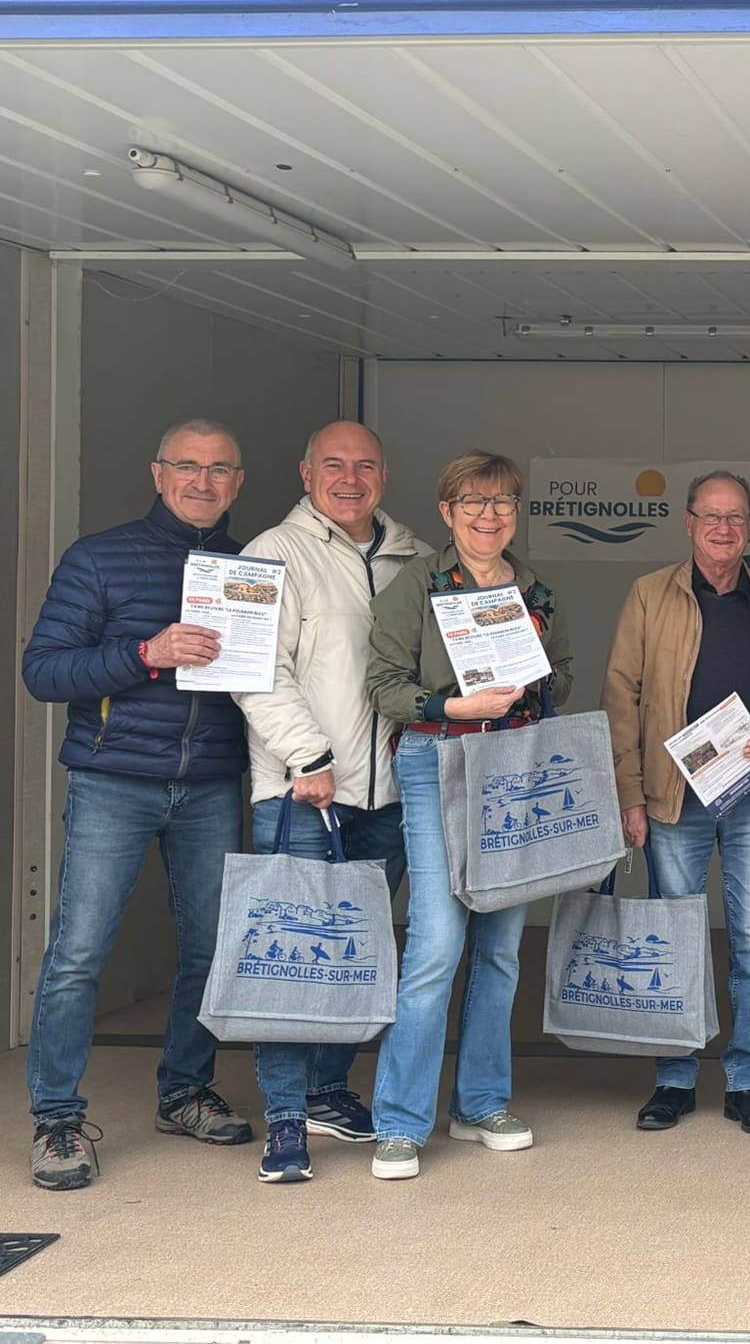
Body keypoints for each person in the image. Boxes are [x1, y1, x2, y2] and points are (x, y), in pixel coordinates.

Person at [23, 420, 256, 1190]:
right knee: (79, 951)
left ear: (239, 483)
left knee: (210, 948)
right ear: (158, 474)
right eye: (187, 466)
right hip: (113, 779)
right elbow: (43, 671)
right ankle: (57, 1119)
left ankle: (184, 1093)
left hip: (212, 781)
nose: (202, 481)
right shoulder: (99, 558)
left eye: (219, 470)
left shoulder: (251, 568)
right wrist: (146, 655)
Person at [364, 450, 572, 1180]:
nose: (490, 516)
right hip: (437, 757)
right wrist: (455, 704)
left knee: (501, 946)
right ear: (447, 512)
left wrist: (533, 682)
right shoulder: (416, 585)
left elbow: (563, 677)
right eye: (474, 503)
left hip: (513, 763)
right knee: (435, 943)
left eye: (503, 503)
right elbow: (384, 685)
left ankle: (481, 1103)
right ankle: (400, 1120)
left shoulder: (535, 590)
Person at [233, 421, 427, 1183]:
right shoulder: (270, 554)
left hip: (390, 796)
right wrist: (308, 756)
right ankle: (285, 1117)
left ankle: (327, 1090)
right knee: (288, 958)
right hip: (303, 791)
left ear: (386, 475)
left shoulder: (416, 558)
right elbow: (253, 668)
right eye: (334, 465)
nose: (351, 479)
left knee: (356, 951)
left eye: (366, 465)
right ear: (305, 473)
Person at [604, 469, 750, 1137]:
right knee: (674, 940)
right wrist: (630, 793)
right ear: (689, 523)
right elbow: (621, 698)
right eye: (711, 516)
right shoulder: (649, 595)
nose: (724, 528)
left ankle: (747, 1079)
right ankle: (675, 1076)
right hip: (673, 798)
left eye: (736, 517)